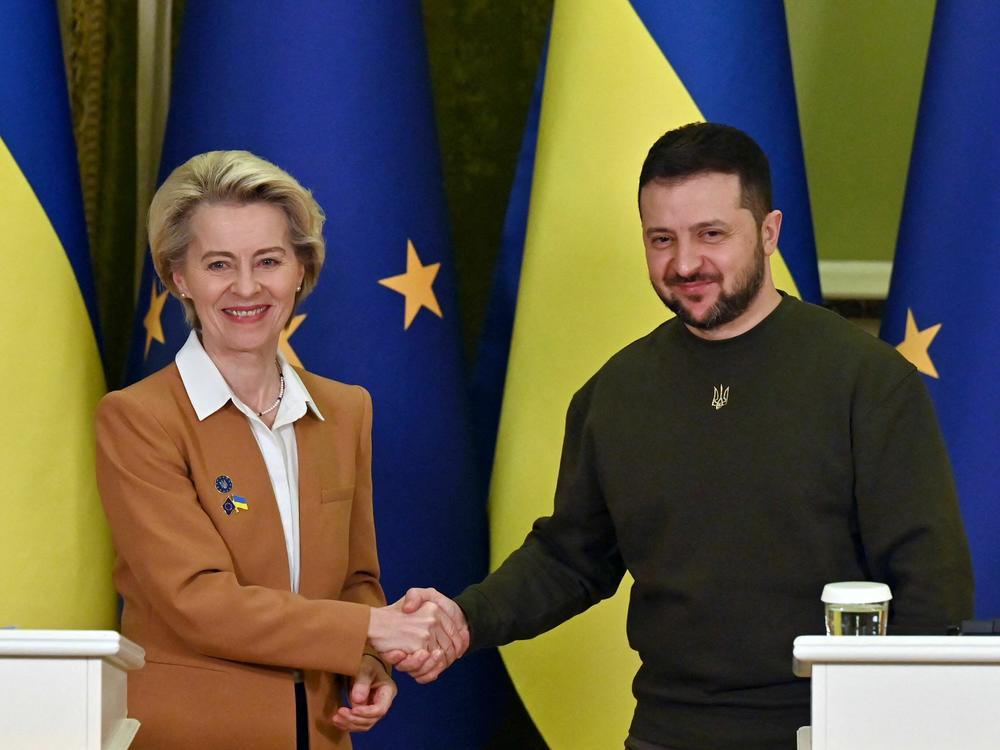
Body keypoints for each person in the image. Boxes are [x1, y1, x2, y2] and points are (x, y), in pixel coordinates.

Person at [385, 123, 974, 749]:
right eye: (661, 239)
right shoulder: (615, 392)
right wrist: (464, 619)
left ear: (769, 232)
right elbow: (569, 559)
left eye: (711, 235)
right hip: (665, 732)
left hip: (833, 730)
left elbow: (930, 586)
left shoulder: (868, 381)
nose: (685, 263)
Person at [95, 150, 462, 750]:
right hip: (186, 735)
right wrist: (374, 626)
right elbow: (197, 603)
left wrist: (369, 658)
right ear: (178, 277)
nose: (247, 287)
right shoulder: (137, 419)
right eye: (218, 264)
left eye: (268, 260)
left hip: (320, 735)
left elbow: (357, 578)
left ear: (301, 270)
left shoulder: (346, 410)